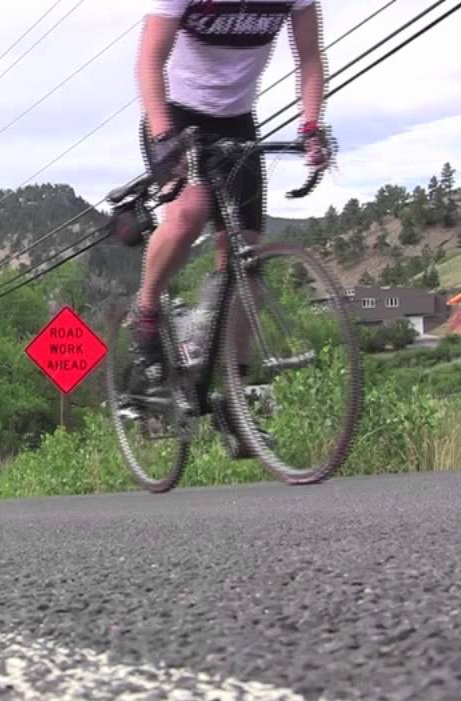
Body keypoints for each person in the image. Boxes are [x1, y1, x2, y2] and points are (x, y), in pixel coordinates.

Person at [128, 0, 331, 456]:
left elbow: (311, 57)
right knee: (190, 212)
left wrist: (312, 125)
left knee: (246, 258)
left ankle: (234, 401)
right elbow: (149, 59)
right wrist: (163, 137)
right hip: (175, 113)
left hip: (237, 121)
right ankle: (144, 315)